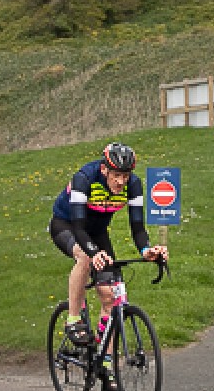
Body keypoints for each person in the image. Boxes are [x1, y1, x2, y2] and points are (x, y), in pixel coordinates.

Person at [51, 142, 167, 348]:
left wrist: (146, 250)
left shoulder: (134, 186)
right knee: (85, 258)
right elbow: (79, 228)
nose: (121, 182)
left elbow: (138, 229)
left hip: (97, 232)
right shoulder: (84, 178)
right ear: (104, 169)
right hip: (67, 225)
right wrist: (94, 253)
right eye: (116, 175)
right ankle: (73, 320)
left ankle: (105, 362)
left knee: (111, 297)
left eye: (126, 176)